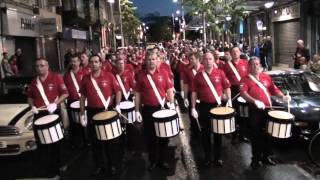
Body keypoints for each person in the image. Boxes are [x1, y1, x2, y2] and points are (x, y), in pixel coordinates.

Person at [240, 56, 291, 169]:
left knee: (268, 134)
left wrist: (283, 96)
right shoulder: (245, 79)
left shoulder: (266, 77)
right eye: (252, 64)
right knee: (256, 135)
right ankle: (256, 159)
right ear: (249, 66)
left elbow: (274, 89)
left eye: (257, 64)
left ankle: (266, 156)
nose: (255, 66)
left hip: (268, 110)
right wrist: (255, 101)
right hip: (255, 111)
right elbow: (243, 93)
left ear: (260, 65)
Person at [79, 54, 122, 176]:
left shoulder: (109, 76)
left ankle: (112, 165)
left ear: (100, 63)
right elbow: (82, 97)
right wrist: (82, 114)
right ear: (89, 64)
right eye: (91, 62)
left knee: (110, 141)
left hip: (108, 110)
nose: (93, 64)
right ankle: (99, 165)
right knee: (95, 142)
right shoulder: (85, 79)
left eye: (96, 62)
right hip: (92, 112)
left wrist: (118, 105)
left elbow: (117, 91)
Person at [27, 58, 69, 179]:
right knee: (41, 143)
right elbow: (30, 97)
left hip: (53, 113)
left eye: (42, 65)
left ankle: (57, 168)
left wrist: (55, 104)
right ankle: (45, 168)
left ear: (47, 66)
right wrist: (32, 106)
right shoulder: (34, 82)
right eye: (37, 66)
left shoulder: (56, 77)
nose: (39, 68)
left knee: (55, 142)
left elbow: (65, 93)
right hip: (39, 115)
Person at [134, 51, 175, 171]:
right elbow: (137, 94)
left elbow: (169, 90)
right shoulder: (141, 75)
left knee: (163, 137)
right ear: (145, 61)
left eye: (153, 59)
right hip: (148, 109)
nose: (151, 61)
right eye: (149, 59)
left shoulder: (164, 73)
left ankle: (162, 161)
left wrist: (171, 104)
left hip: (162, 108)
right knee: (150, 138)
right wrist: (137, 110)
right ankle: (152, 161)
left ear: (157, 60)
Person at [191, 52, 231, 167]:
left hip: (217, 107)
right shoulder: (198, 76)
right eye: (206, 59)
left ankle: (218, 158)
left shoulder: (220, 73)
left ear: (214, 60)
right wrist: (193, 108)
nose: (208, 61)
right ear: (202, 61)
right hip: (204, 107)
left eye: (210, 59)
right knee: (205, 134)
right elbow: (194, 93)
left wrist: (228, 101)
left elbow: (227, 87)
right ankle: (208, 157)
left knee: (218, 134)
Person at [222, 46, 249, 143]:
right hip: (233, 91)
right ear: (230, 53)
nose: (235, 53)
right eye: (233, 52)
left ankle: (242, 134)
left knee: (244, 113)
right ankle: (234, 135)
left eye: (237, 51)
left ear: (240, 52)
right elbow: (223, 80)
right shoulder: (226, 66)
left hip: (244, 90)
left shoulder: (246, 63)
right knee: (234, 113)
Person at [63, 55, 86, 148]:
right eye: (72, 61)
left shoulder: (84, 72)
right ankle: (76, 141)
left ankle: (86, 140)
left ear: (79, 62)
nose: (73, 63)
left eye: (75, 61)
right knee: (74, 123)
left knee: (84, 121)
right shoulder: (67, 75)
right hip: (72, 102)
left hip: (83, 101)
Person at [182, 52, 204, 135]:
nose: (190, 61)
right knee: (192, 112)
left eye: (192, 59)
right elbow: (186, 84)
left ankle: (202, 128)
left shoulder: (204, 68)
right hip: (192, 94)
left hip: (202, 94)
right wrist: (185, 97)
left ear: (198, 59)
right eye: (189, 59)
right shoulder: (187, 70)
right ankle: (194, 129)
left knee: (201, 112)